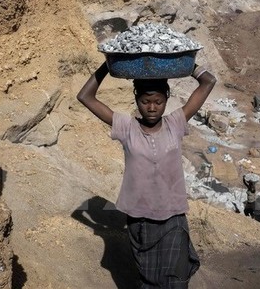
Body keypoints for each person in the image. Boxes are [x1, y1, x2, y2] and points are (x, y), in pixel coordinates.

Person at [77, 61, 216, 288]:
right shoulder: (126, 127)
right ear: (137, 101)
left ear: (166, 100)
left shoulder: (175, 123)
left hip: (173, 217)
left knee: (176, 278)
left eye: (158, 102)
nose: (152, 107)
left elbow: (208, 81)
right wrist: (108, 65)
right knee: (149, 279)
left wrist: (186, 62)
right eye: (145, 102)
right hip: (140, 219)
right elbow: (85, 96)